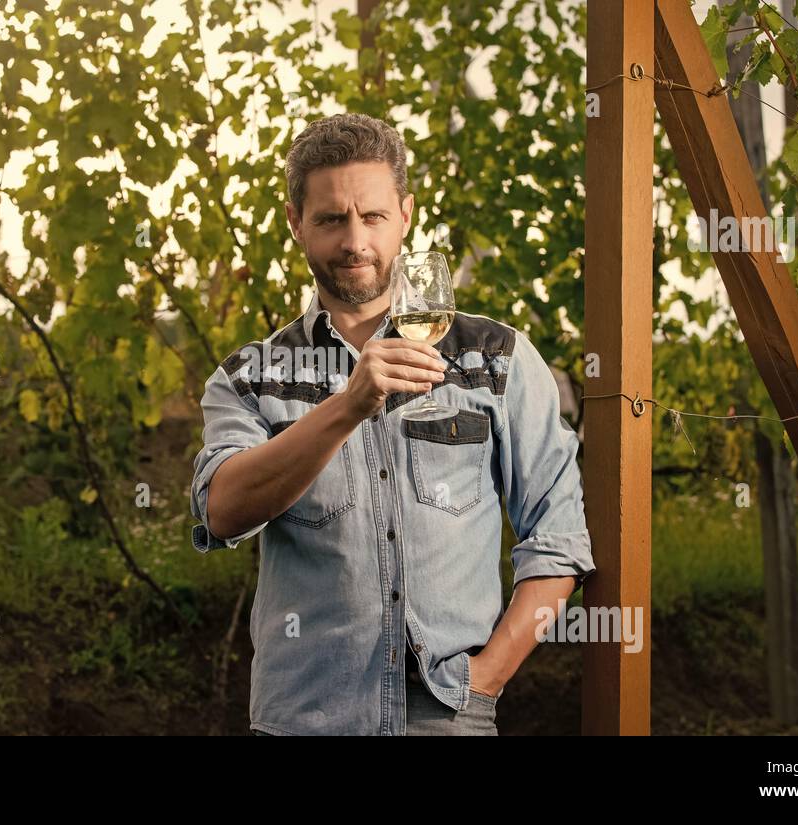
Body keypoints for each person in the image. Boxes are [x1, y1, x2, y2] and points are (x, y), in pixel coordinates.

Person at [190, 112, 595, 735]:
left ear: (405, 215)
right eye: (330, 219)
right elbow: (222, 511)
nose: (356, 241)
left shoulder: (498, 360)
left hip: (448, 715)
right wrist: (347, 406)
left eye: (373, 216)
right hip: (304, 719)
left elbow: (558, 540)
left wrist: (483, 682)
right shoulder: (253, 376)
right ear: (296, 223)